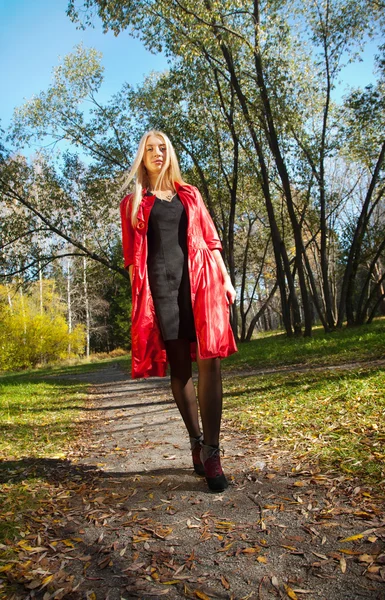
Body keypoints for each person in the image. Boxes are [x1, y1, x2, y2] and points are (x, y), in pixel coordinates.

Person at [120, 130, 237, 493]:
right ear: (142, 158)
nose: (157, 153)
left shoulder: (190, 194)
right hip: (162, 290)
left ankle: (213, 452)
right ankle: (196, 441)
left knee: (211, 362)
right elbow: (130, 259)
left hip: (201, 284)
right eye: (150, 149)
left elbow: (211, 239)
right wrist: (140, 304)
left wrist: (226, 278)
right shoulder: (133, 203)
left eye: (163, 148)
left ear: (170, 154)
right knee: (181, 368)